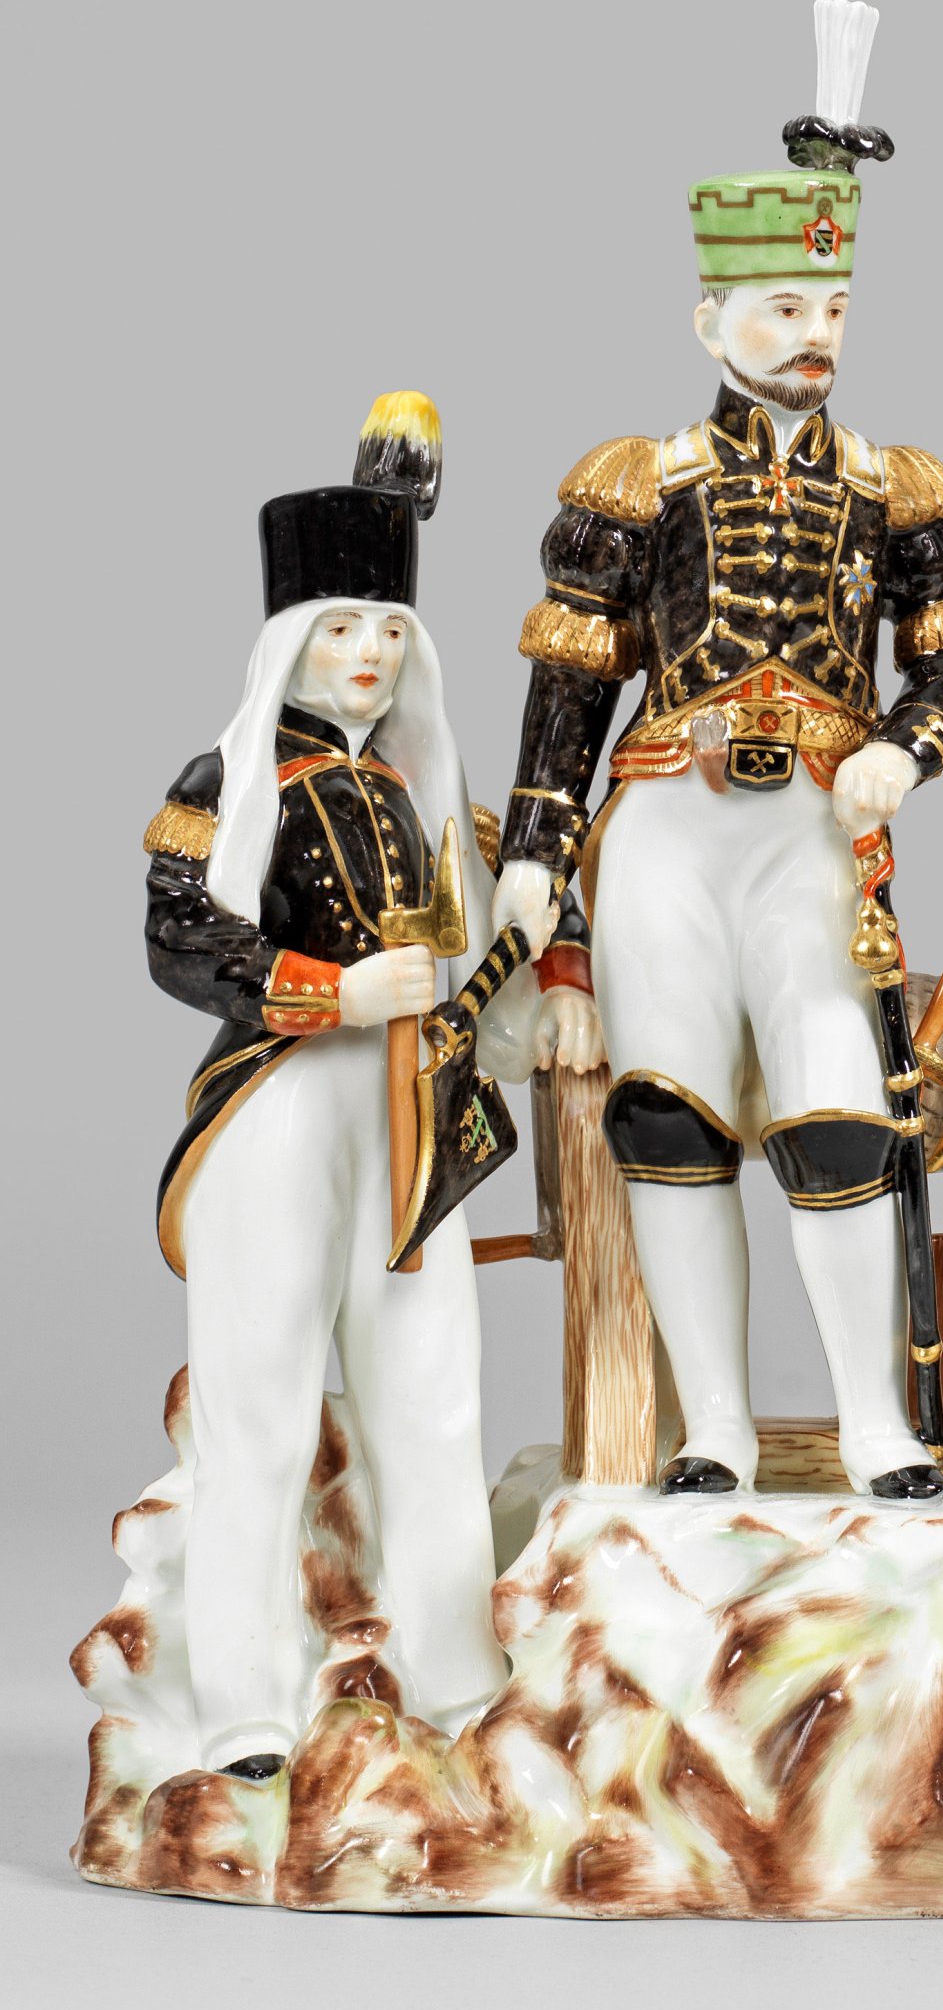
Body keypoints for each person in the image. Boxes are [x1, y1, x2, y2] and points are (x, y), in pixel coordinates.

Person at [491, 0, 943, 1497]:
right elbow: (571, 682)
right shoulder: (638, 480)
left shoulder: (892, 485)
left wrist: (909, 746)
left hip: (812, 841)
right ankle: (712, 1424)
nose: (813, 337)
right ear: (711, 320)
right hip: (667, 831)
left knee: (839, 1114)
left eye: (830, 309)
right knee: (670, 1118)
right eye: (782, 309)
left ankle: (873, 1425)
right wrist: (535, 854)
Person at [144, 394, 588, 1779]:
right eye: (343, 627)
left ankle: (456, 1675)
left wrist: (541, 980)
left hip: (413, 1123)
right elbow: (180, 935)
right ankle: (242, 1698)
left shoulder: (420, 794)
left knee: (433, 1396)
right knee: (261, 1408)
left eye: (390, 631)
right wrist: (331, 992)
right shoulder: (229, 779)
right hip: (280, 1111)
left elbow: (499, 941)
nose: (371, 654)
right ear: (291, 640)